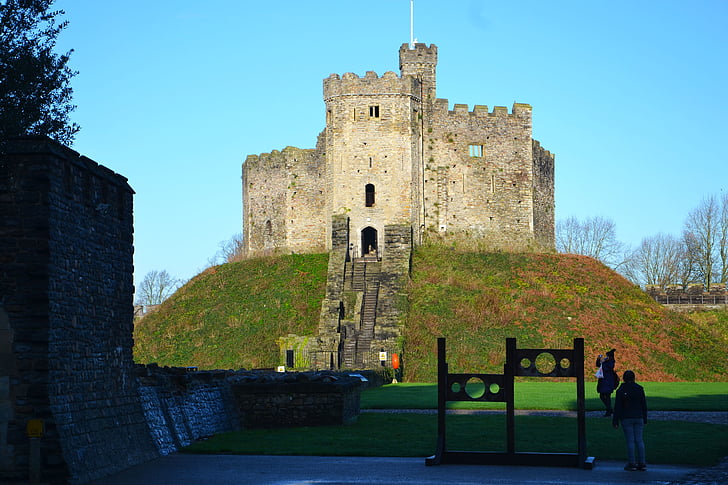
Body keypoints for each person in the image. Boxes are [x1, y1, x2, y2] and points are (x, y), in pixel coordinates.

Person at [612, 370, 648, 471]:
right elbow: (643, 405)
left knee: (630, 441)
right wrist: (645, 418)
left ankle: (632, 463)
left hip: (626, 417)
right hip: (638, 416)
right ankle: (642, 462)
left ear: (624, 379)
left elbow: (618, 406)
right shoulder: (639, 388)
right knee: (639, 440)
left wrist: (615, 421)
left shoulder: (621, 390)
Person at [595, 348, 617, 416]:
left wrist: (603, 361)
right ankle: (609, 409)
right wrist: (599, 359)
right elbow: (598, 365)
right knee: (603, 396)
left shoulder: (611, 362)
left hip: (608, 381)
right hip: (604, 381)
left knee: (607, 396)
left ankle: (609, 410)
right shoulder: (606, 362)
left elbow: (607, 367)